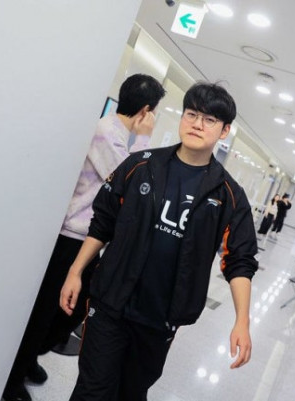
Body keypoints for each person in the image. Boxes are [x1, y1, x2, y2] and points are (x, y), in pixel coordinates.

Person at [60, 82, 259, 401]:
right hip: (110, 301)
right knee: (92, 390)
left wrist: (242, 322)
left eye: (209, 119)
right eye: (191, 114)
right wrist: (75, 271)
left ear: (224, 131)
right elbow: (103, 221)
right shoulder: (140, 165)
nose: (197, 124)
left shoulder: (228, 195)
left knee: (132, 392)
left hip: (160, 317)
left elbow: (240, 261)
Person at [2, 74, 166, 401]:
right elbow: (130, 184)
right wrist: (145, 139)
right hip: (70, 237)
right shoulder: (106, 133)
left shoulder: (117, 133)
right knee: (48, 311)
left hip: (88, 239)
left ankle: (30, 356)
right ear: (146, 110)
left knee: (73, 310)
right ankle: (13, 377)